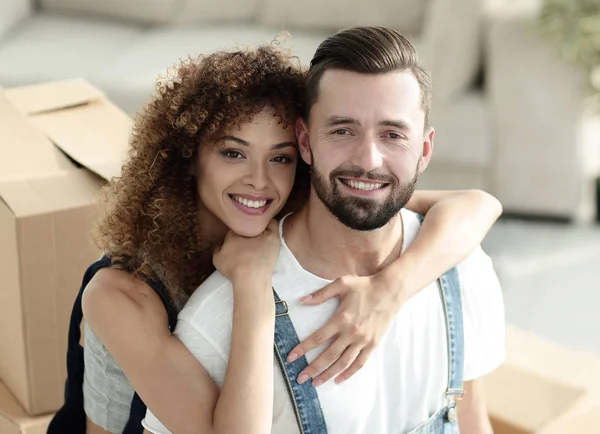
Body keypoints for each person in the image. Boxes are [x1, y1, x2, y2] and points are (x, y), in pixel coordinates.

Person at [49, 42, 501, 434]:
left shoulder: (295, 207)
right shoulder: (122, 292)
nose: (258, 182)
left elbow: (476, 205)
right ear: (187, 158)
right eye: (232, 153)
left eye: (279, 158)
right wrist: (251, 285)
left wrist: (390, 289)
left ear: (302, 152)